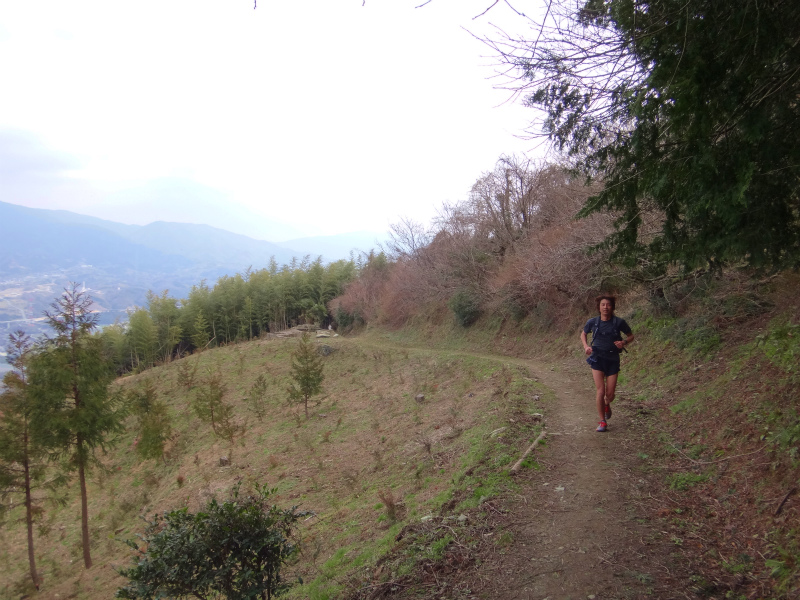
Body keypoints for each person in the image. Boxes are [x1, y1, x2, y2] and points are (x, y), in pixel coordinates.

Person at [580, 295, 634, 432]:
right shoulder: (593, 322)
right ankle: (602, 421)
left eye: (608, 305)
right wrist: (586, 346)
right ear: (599, 307)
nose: (605, 307)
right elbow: (583, 334)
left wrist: (624, 342)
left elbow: (631, 335)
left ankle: (607, 404)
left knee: (610, 394)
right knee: (600, 391)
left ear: (612, 307)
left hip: (613, 359)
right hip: (597, 358)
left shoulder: (619, 322)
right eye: (603, 304)